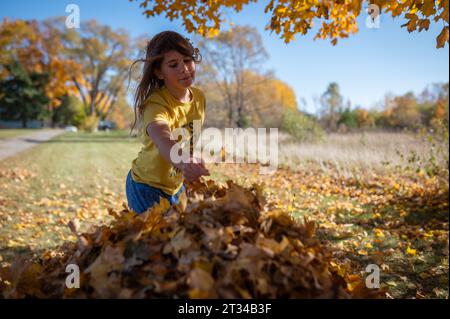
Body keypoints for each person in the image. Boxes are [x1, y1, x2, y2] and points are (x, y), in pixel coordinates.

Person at [125, 31, 209, 214]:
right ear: (159, 73)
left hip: (176, 187)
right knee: (154, 240)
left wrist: (191, 167)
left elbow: (189, 139)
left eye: (187, 60)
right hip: (146, 187)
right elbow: (162, 139)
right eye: (173, 65)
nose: (184, 69)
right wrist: (185, 162)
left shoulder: (199, 97)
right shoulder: (156, 103)